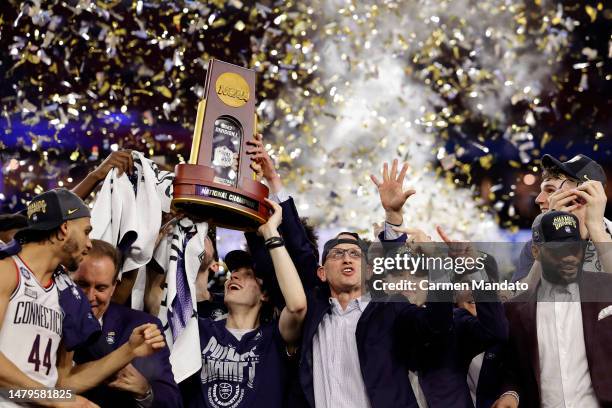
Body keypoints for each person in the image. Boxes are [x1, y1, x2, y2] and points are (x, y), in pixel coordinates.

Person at [288, 160, 453, 408]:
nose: (346, 258)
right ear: (321, 273)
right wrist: (274, 185)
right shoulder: (312, 310)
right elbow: (300, 253)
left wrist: (395, 218)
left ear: (368, 271)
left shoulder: (391, 310)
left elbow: (438, 325)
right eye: (337, 254)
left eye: (355, 254)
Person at [0, 189, 166, 407]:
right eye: (86, 231)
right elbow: (54, 395)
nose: (89, 243)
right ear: (64, 229)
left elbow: (63, 381)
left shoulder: (68, 293)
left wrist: (129, 350)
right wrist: (56, 400)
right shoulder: (6, 271)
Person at [179, 199, 307, 408]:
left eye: (247, 274)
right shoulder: (199, 328)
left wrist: (270, 233)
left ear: (264, 294)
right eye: (233, 273)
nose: (234, 277)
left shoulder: (274, 338)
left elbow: (297, 305)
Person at [493, 210, 612, 408]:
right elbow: (513, 370)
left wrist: (598, 228)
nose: (570, 257)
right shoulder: (514, 310)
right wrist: (511, 394)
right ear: (536, 251)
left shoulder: (607, 289)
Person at [70, 239, 182, 407]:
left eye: (101, 288)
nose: (90, 296)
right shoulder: (48, 320)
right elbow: (28, 391)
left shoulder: (141, 327)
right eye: (82, 285)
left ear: (114, 287)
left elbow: (173, 402)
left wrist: (145, 390)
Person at [514, 153, 612, 284]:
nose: (538, 199)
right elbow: (518, 300)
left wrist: (597, 230)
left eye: (550, 190)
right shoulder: (536, 244)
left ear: (583, 195)